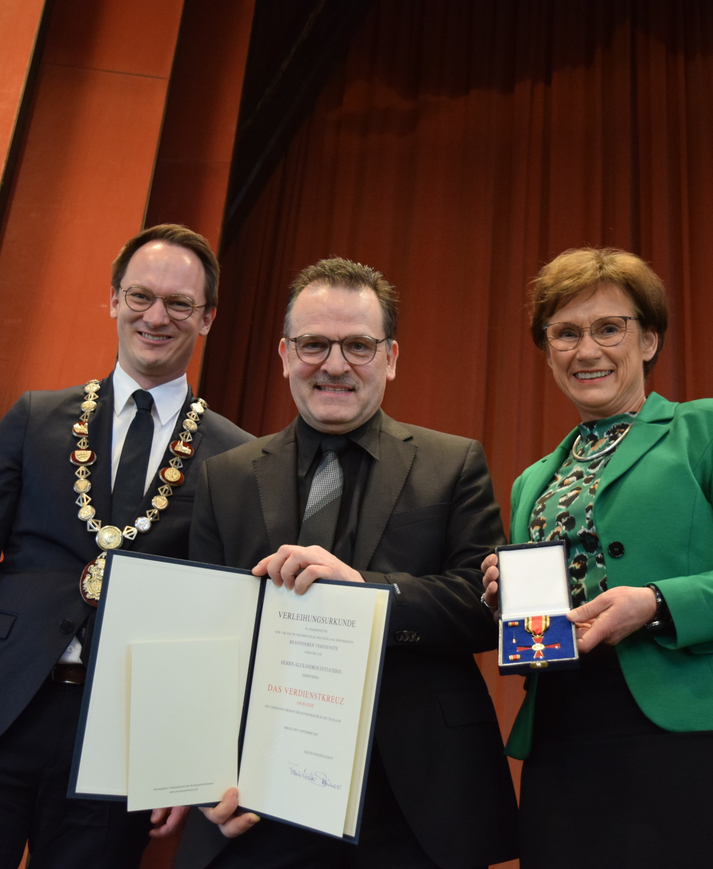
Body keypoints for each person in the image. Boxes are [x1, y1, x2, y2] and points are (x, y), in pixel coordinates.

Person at [0, 224, 254, 868]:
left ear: (207, 318)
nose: (155, 317)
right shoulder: (35, 418)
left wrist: (183, 761)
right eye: (140, 296)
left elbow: (221, 620)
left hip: (121, 744)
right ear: (113, 300)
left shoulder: (235, 457)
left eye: (179, 303)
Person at [158, 257, 519, 869]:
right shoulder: (226, 478)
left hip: (410, 799)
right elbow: (204, 640)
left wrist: (364, 593)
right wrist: (198, 773)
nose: (333, 365)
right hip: (257, 798)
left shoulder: (453, 463)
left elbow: (483, 608)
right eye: (314, 345)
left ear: (391, 357)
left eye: (358, 345)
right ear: (284, 354)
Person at [481, 248, 713, 868]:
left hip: (693, 734)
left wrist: (655, 603)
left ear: (649, 339)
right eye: (565, 333)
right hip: (562, 737)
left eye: (609, 328)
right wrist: (508, 601)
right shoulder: (531, 481)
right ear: (548, 352)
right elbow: (546, 620)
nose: (587, 350)